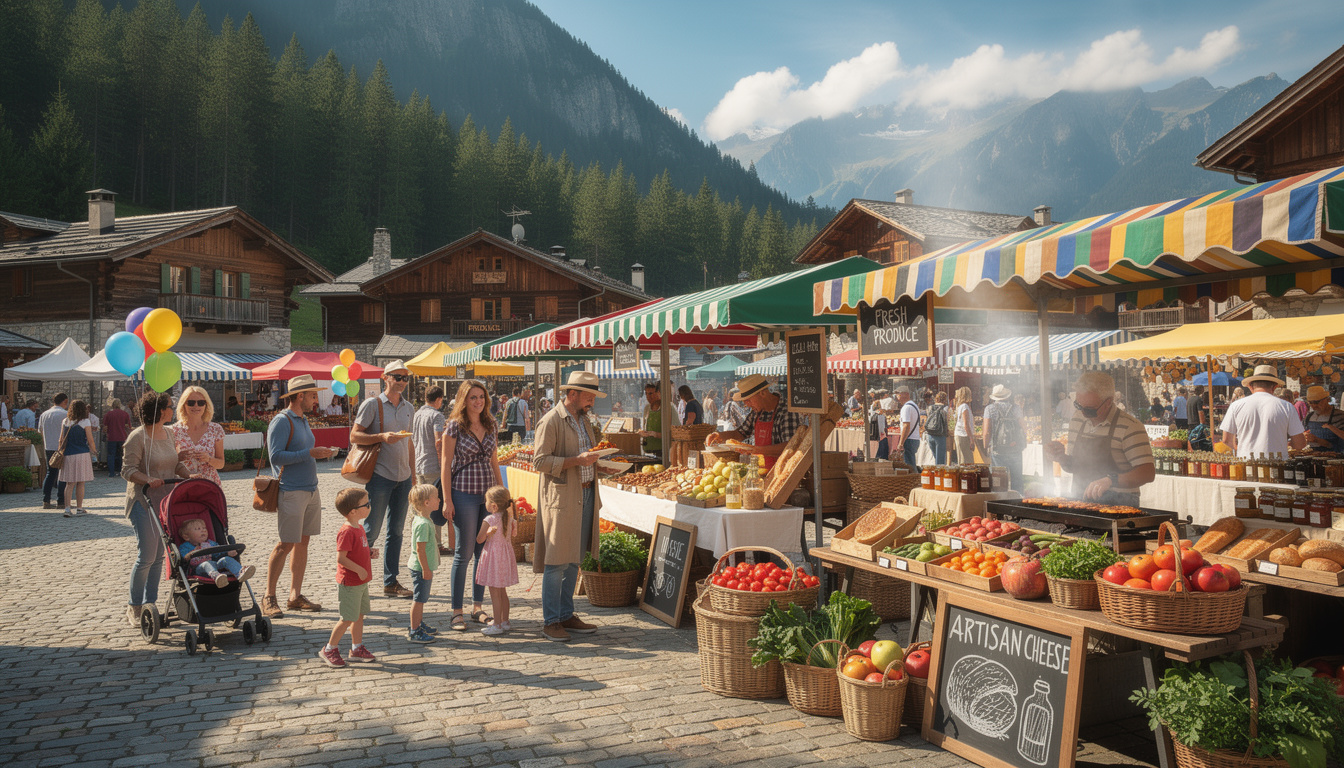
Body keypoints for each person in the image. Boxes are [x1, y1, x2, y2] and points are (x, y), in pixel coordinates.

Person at [534, 371, 609, 642]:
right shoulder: (551, 420)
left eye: (593, 397)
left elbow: (588, 456)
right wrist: (577, 461)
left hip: (586, 494)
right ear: (572, 394)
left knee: (574, 558)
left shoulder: (583, 420)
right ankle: (550, 620)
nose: (591, 401)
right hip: (562, 498)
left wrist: (601, 463)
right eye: (588, 396)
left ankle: (566, 614)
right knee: (556, 560)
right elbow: (540, 462)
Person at [263, 375, 341, 619]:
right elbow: (275, 457)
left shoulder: (304, 419)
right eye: (313, 395)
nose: (316, 400)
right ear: (300, 396)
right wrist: (309, 453)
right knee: (285, 544)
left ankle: (294, 596)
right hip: (291, 489)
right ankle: (269, 596)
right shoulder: (282, 421)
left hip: (310, 489)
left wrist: (317, 454)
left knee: (302, 543)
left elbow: (303, 453)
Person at [122, 392, 191, 628]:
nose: (173, 410)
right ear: (161, 410)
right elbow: (127, 470)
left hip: (165, 502)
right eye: (170, 406)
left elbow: (176, 464)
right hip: (143, 502)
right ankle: (135, 606)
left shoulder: (170, 433)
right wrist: (148, 479)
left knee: (160, 557)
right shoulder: (137, 436)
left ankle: (150, 605)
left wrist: (190, 476)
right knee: (146, 556)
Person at [439, 379, 502, 631]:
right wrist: (447, 499)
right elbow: (445, 464)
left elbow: (495, 461)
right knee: (463, 554)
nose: (478, 401)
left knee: (482, 553)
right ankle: (457, 611)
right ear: (464, 400)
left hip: (487, 496)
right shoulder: (454, 426)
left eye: (481, 397)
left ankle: (477, 607)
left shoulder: (491, 424)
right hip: (463, 493)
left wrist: (502, 494)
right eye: (473, 397)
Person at [351, 360, 416, 599]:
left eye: (405, 378)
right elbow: (354, 436)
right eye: (397, 377)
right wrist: (381, 436)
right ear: (385, 377)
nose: (401, 382)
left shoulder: (409, 407)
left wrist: (414, 476)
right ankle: (357, 580)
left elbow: (409, 443)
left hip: (403, 477)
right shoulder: (373, 404)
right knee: (371, 531)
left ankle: (391, 582)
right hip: (380, 476)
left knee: (397, 532)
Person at [1043, 372, 1156, 504]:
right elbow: (1075, 466)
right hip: (1080, 501)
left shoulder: (1130, 427)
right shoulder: (1077, 419)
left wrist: (1111, 480)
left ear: (1108, 402)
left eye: (1090, 409)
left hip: (1119, 505)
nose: (1084, 413)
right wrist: (1061, 457)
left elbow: (1147, 473)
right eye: (1079, 406)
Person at [319, 487, 378, 667]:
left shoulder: (358, 527)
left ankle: (356, 648)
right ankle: (329, 648)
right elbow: (341, 557)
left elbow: (356, 551)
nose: (370, 506)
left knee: (359, 615)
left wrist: (369, 554)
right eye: (367, 504)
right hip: (350, 582)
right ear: (353, 511)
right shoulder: (346, 531)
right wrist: (359, 569)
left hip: (361, 582)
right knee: (347, 618)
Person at [704, 374, 805, 472]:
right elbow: (740, 433)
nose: (746, 405)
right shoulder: (758, 411)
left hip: (782, 472)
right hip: (761, 470)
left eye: (748, 400)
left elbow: (791, 446)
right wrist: (719, 435)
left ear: (763, 393)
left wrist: (755, 450)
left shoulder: (786, 412)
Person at [1220, 365, 1306, 459]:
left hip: (1246, 464)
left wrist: (1240, 450)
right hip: (1277, 466)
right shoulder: (1286, 406)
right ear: (1275, 387)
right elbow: (1300, 444)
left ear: (1250, 386)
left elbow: (1226, 439)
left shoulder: (1236, 406)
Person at [412, 386, 452, 556]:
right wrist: (443, 463)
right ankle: (436, 542)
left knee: (421, 504)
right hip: (433, 465)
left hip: (419, 463)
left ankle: (420, 537)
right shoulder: (436, 415)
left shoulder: (417, 414)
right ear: (439, 399)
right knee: (434, 503)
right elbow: (438, 441)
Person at [476, 484, 518, 636]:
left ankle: (497, 624)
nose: (485, 503)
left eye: (486, 501)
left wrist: (488, 534)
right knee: (502, 592)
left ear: (493, 505)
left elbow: (479, 539)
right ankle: (505, 621)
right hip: (505, 557)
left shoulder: (490, 519)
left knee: (494, 592)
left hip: (494, 558)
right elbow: (513, 535)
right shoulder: (510, 518)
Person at [405, 483, 440, 644]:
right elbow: (420, 549)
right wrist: (426, 568)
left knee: (422, 598)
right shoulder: (423, 524)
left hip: (423, 567)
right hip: (420, 568)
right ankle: (414, 630)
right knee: (419, 599)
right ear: (427, 502)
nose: (439, 500)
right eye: (436, 498)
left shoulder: (424, 520)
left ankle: (418, 623)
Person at [169, 386, 225, 487]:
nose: (196, 406)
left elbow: (221, 464)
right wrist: (178, 457)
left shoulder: (215, 429)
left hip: (209, 484)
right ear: (183, 405)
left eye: (201, 403)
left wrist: (208, 459)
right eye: (191, 403)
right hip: (183, 484)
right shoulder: (174, 430)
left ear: (206, 405)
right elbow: (166, 462)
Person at [178, 519, 255, 588]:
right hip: (198, 569)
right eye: (198, 529)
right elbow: (184, 558)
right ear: (187, 537)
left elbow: (218, 552)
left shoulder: (210, 543)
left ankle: (240, 572)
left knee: (226, 559)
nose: (203, 530)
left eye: (204, 528)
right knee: (206, 564)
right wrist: (192, 552)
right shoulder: (185, 546)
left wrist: (227, 553)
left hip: (214, 564)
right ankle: (217, 577)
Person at [982, 385, 1027, 491]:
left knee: (998, 480)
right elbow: (1024, 427)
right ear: (1007, 396)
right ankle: (1019, 501)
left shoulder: (989, 409)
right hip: (1015, 448)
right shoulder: (1016, 408)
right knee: (1017, 480)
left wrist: (985, 446)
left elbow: (986, 432)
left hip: (998, 449)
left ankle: (999, 501)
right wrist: (1021, 442)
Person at [57, 399, 97, 517]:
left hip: (68, 454)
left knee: (70, 483)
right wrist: (94, 451)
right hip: (82, 453)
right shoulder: (85, 421)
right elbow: (90, 440)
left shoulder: (66, 421)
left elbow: (61, 439)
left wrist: (60, 452)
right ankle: (79, 508)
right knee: (81, 482)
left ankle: (67, 508)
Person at [39, 393, 68, 510]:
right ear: (65, 401)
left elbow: (40, 431)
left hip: (48, 446)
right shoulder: (65, 414)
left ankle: (46, 500)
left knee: (50, 473)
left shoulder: (44, 414)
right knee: (62, 474)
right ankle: (60, 500)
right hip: (62, 447)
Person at [1302, 385, 1344, 453]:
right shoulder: (1309, 417)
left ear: (1327, 400)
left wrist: (1318, 440)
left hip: (1334, 458)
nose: (1314, 406)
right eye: (1310, 402)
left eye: (1316, 402)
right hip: (1312, 455)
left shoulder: (1340, 416)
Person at [895, 386, 922, 469]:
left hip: (909, 439)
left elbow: (906, 426)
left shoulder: (906, 407)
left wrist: (901, 443)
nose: (897, 396)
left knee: (909, 466)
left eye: (898, 394)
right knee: (911, 464)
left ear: (906, 394)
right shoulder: (914, 405)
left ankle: (914, 480)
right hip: (914, 438)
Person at [103, 399, 131, 478]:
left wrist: (105, 432)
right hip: (122, 437)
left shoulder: (109, 414)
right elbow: (128, 427)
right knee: (121, 455)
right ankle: (120, 471)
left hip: (111, 437)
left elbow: (105, 427)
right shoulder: (125, 414)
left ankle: (111, 472)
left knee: (111, 455)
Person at [639, 381, 663, 460]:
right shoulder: (646, 408)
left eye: (650, 393)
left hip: (662, 452)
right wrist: (643, 432)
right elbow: (645, 426)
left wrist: (655, 434)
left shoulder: (667, 408)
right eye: (646, 394)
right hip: (648, 452)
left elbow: (672, 433)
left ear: (658, 393)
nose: (648, 396)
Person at [924, 392, 949, 464]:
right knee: (940, 461)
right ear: (945, 399)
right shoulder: (945, 408)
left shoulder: (930, 407)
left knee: (935, 458)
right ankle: (939, 475)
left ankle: (935, 473)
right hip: (940, 435)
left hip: (930, 434)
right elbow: (947, 421)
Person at [953, 387, 975, 464]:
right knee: (967, 461)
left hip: (960, 435)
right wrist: (971, 439)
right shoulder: (965, 406)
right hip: (963, 435)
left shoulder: (961, 406)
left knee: (963, 460)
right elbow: (966, 424)